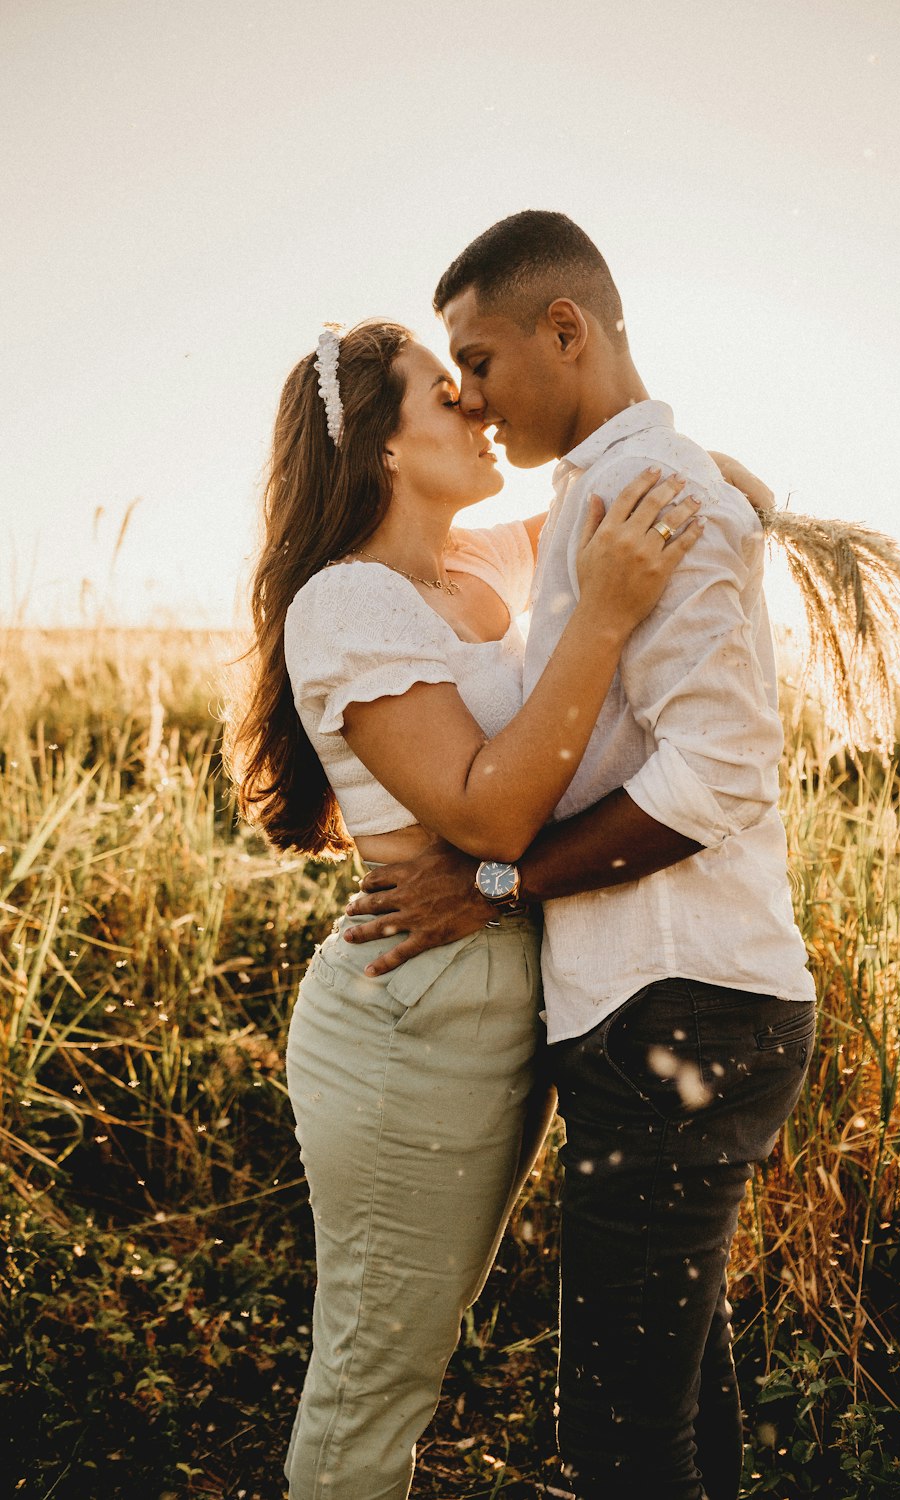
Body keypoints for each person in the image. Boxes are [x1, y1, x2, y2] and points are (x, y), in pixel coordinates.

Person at [339, 213, 820, 1500]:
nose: (472, 397)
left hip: (684, 1009)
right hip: (662, 1012)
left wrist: (499, 878)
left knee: (620, 1440)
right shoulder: (602, 499)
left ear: (569, 330)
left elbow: (717, 773)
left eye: (481, 359)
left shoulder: (646, 499)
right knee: (670, 1406)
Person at [224, 315, 724, 1499]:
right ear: (388, 451)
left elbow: (655, 492)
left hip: (500, 990)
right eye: (446, 396)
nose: (478, 409)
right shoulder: (344, 606)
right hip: (414, 1014)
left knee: (417, 1352)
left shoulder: (475, 564)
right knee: (373, 1376)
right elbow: (488, 820)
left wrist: (715, 492)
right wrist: (599, 615)